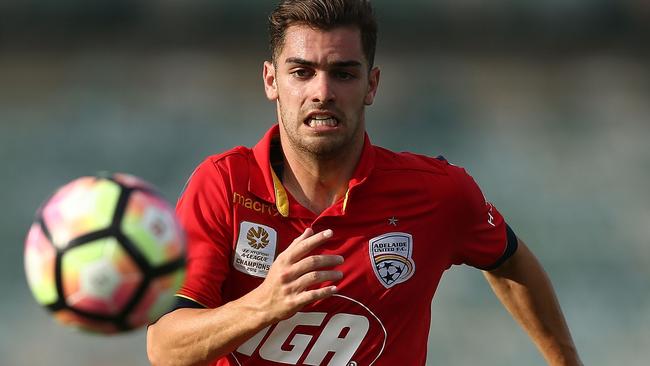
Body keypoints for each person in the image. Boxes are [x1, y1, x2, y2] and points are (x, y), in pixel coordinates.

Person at [147, 0, 582, 365]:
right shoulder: (224, 186)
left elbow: (508, 261)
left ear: (371, 85)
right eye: (301, 72)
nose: (322, 91)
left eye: (343, 73)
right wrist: (261, 305)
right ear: (271, 80)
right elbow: (165, 348)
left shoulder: (437, 193)